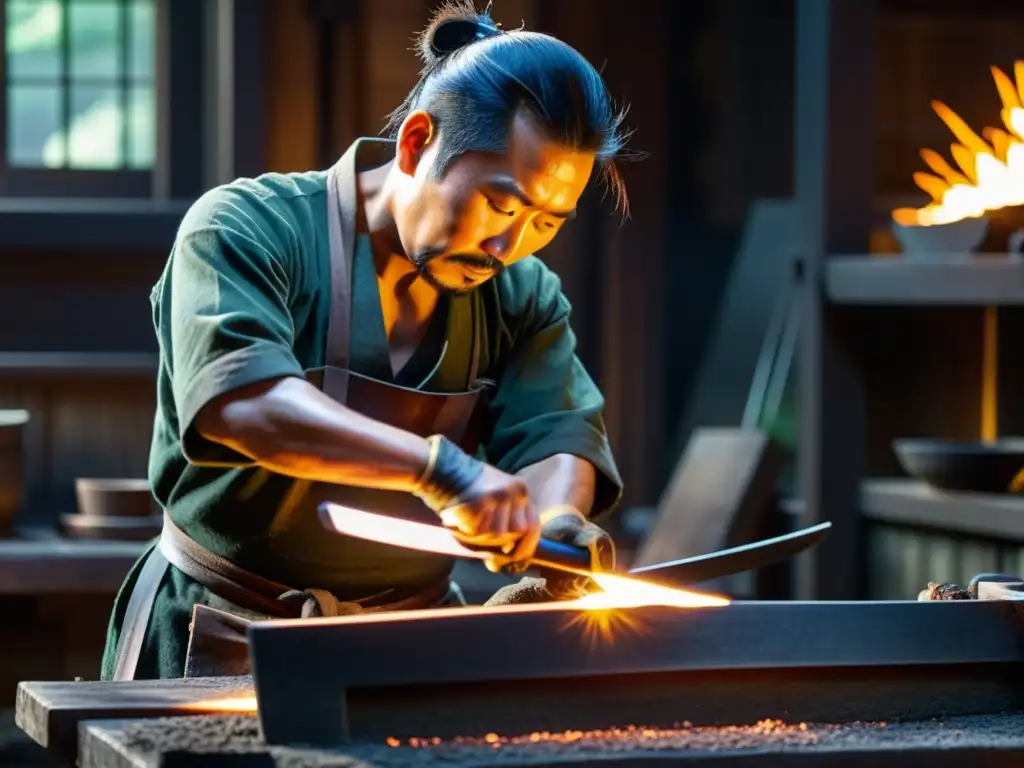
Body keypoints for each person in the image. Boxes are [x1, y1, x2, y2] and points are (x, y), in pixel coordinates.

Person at [100, 0, 632, 681]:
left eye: (546, 220)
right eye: (501, 204)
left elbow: (557, 436)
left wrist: (552, 520)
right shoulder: (245, 229)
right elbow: (244, 404)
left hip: (414, 653)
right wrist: (441, 471)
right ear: (416, 143)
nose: (509, 244)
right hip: (218, 630)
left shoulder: (522, 295)